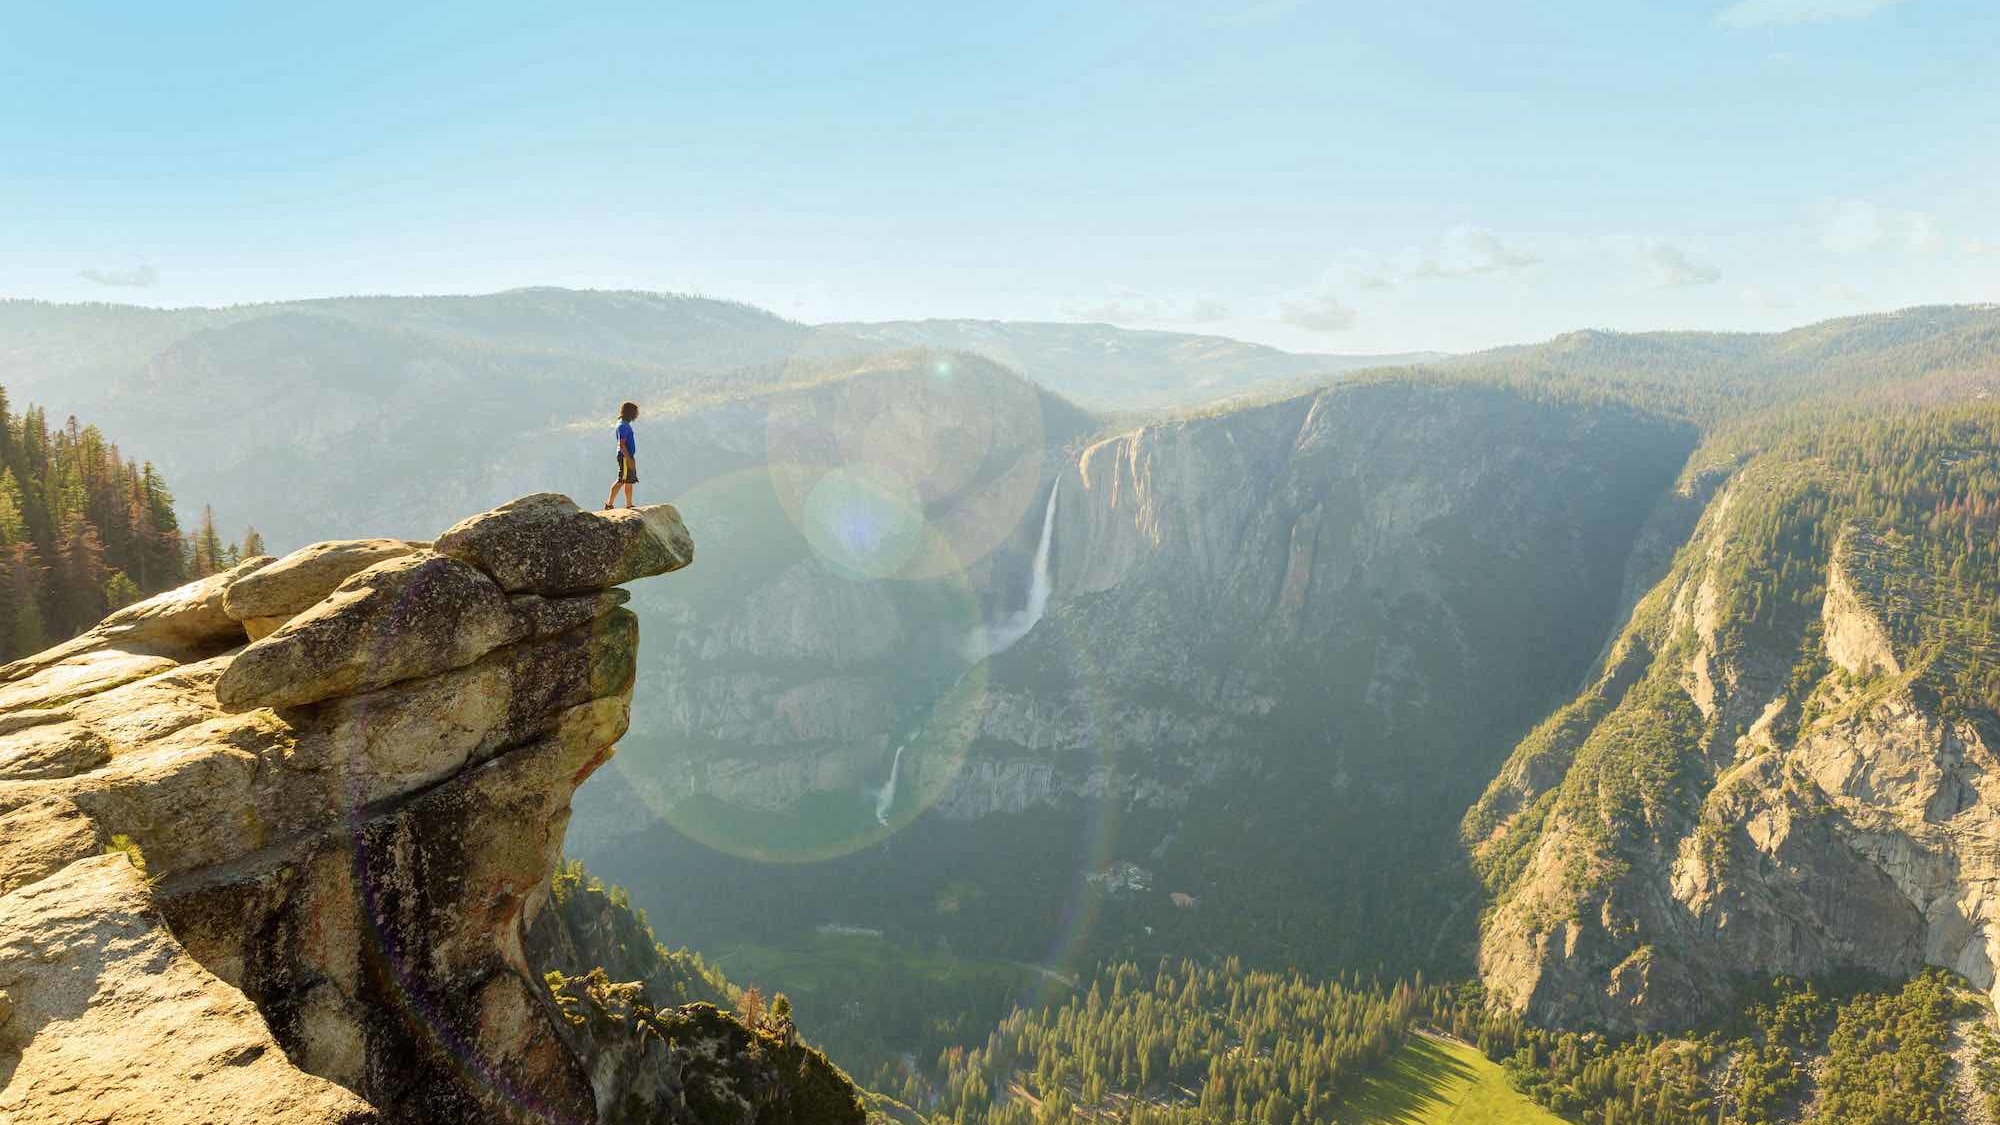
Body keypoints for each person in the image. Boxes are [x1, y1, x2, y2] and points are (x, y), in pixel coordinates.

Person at [604, 401, 640, 510]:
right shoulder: (623, 426)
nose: (636, 415)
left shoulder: (624, 424)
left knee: (629, 480)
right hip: (625, 456)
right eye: (635, 412)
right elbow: (622, 443)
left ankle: (629, 504)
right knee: (622, 480)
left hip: (627, 456)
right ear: (630, 413)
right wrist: (628, 458)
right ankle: (609, 504)